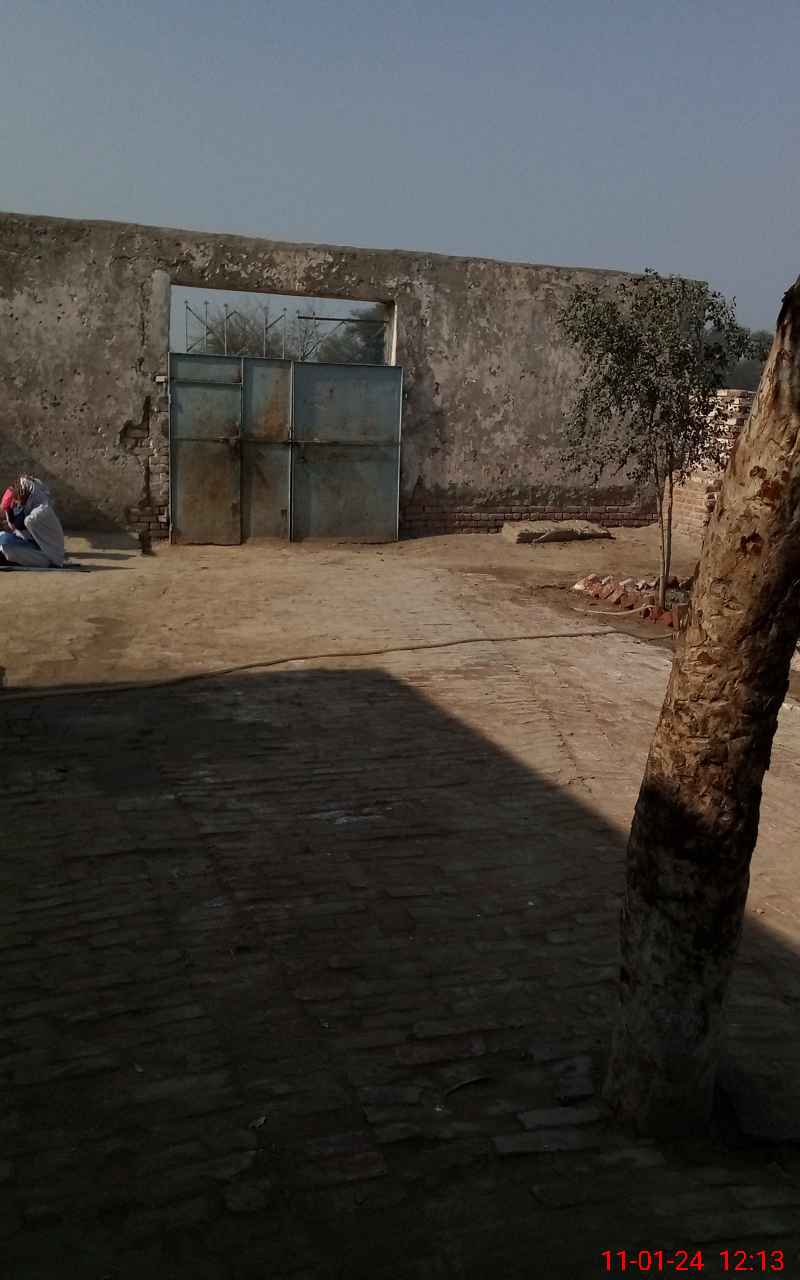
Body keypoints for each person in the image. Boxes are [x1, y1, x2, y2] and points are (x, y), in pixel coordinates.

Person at [0, 476, 65, 569]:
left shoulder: (40, 513)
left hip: (49, 556)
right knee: (2, 536)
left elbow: (21, 524)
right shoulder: (31, 503)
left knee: (7, 548)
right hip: (32, 544)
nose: (16, 505)